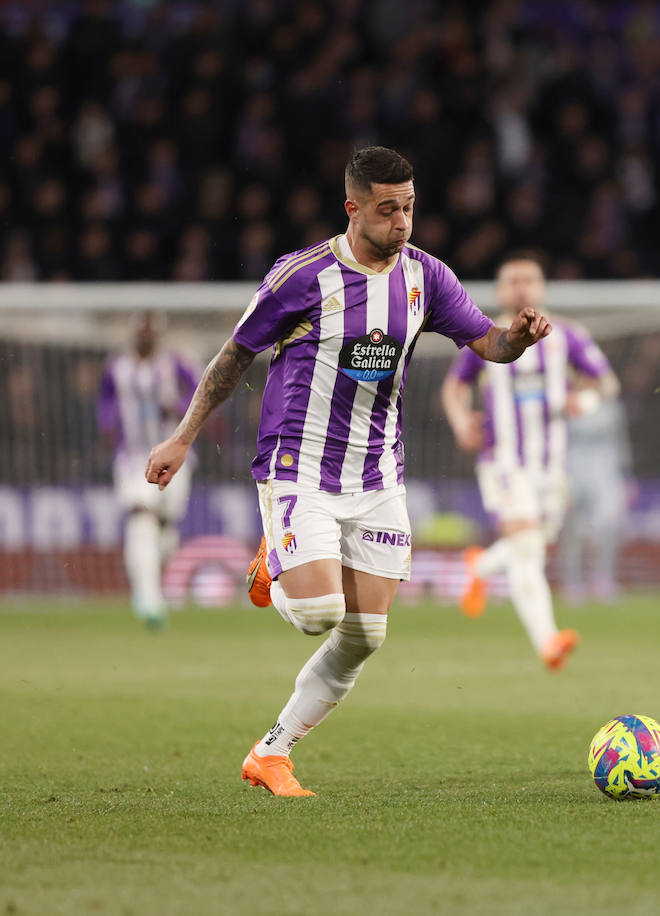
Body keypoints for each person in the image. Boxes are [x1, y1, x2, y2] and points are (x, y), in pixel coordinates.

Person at [145, 147, 550, 797]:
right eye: (388, 210)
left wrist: (520, 339)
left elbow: (489, 343)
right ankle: (271, 559)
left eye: (410, 208)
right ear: (353, 207)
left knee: (366, 634)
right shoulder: (300, 277)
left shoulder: (426, 279)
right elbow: (233, 358)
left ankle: (271, 752)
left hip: (377, 477)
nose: (402, 223)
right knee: (316, 614)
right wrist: (183, 436)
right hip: (297, 467)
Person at [440, 252, 618, 670]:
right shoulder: (485, 337)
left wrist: (586, 399)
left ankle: (480, 565)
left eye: (529, 279)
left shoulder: (568, 337)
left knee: (534, 542)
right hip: (503, 463)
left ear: (542, 288)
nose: (521, 287)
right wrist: (461, 420)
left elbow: (606, 382)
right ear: (500, 291)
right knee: (527, 549)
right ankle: (548, 641)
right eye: (512, 280)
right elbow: (453, 389)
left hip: (551, 467)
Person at [99, 311, 199, 629]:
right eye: (140, 329)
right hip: (134, 457)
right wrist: (109, 425)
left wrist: (179, 407)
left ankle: (148, 587)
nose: (145, 335)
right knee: (142, 517)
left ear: (159, 333)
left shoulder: (176, 364)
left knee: (165, 531)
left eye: (150, 330)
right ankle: (149, 599)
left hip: (174, 456)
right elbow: (105, 400)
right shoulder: (117, 366)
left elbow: (202, 397)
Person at [560, 393, 632, 605]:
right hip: (572, 468)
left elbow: (621, 441)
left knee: (609, 525)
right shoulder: (564, 401)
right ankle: (572, 582)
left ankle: (603, 579)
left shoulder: (612, 406)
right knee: (573, 528)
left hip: (606, 470)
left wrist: (627, 474)